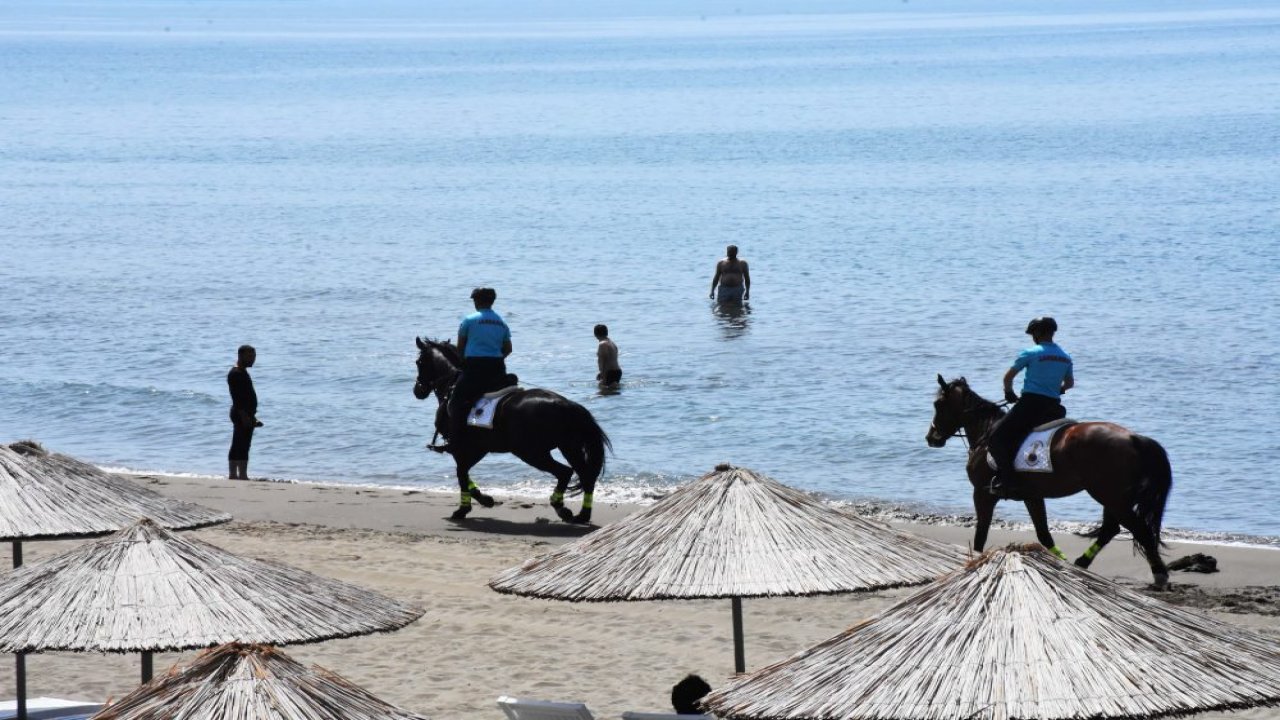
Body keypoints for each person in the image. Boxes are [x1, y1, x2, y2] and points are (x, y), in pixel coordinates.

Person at [988, 317, 1074, 498]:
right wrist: (1055, 388)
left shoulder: (1031, 353)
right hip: (1054, 408)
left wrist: (1009, 393)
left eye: (1033, 333)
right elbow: (1069, 384)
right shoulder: (1065, 357)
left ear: (1038, 333)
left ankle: (1008, 482)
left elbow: (1007, 378)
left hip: (1030, 405)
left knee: (996, 438)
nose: (1033, 337)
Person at [445, 287, 512, 451]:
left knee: (455, 401)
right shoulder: (502, 323)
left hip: (474, 367)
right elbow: (508, 349)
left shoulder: (469, 320)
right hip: (497, 368)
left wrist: (465, 362)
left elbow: (460, 348)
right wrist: (495, 358)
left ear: (477, 301)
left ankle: (455, 440)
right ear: (492, 301)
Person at [226, 344, 263, 480]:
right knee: (239, 443)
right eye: (250, 356)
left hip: (246, 413)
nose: (253, 359)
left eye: (254, 357)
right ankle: (235, 474)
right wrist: (244, 416)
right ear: (241, 356)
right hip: (240, 413)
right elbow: (237, 398)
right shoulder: (236, 374)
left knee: (244, 444)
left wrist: (251, 416)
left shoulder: (242, 372)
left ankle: (241, 474)